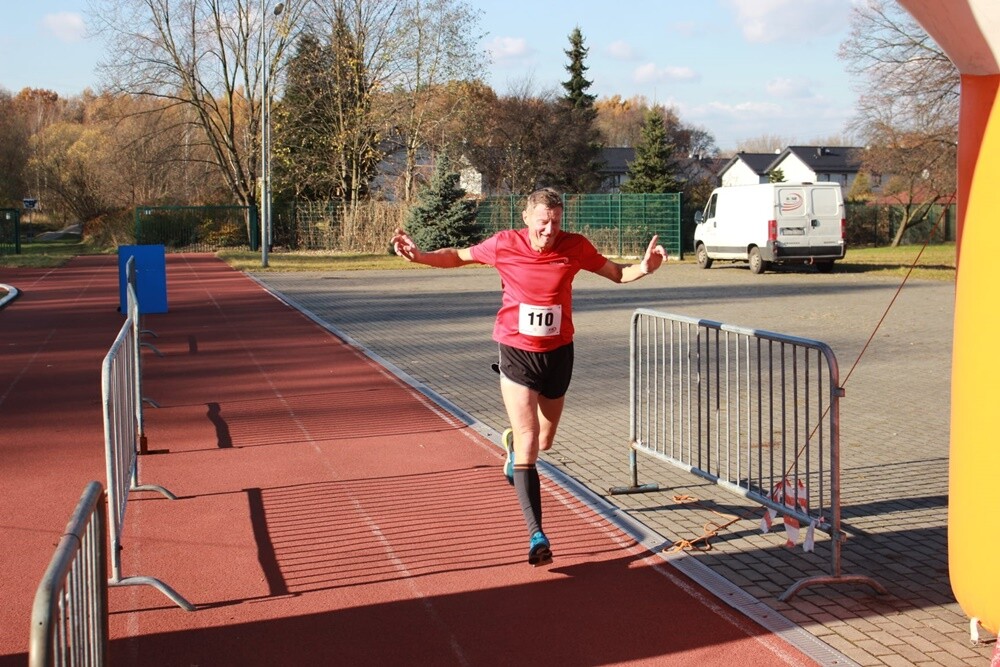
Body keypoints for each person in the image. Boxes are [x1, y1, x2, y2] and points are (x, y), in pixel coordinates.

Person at [391, 187, 666, 566]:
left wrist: (645, 268)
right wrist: (420, 256)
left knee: (546, 440)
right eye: (543, 222)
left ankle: (513, 452)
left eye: (555, 222)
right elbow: (458, 256)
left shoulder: (575, 246)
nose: (549, 230)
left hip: (558, 354)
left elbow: (617, 273)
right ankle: (537, 534)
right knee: (530, 439)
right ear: (526, 218)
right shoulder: (505, 244)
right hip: (516, 352)